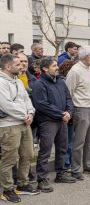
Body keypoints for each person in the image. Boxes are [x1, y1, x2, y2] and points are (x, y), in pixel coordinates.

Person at [33, 57, 76, 193]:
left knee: (62, 148)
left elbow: (68, 98)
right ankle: (42, 179)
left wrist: (68, 112)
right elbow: (42, 104)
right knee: (45, 150)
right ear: (45, 69)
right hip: (48, 121)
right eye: (54, 66)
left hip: (62, 120)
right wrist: (61, 114)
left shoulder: (60, 82)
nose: (57, 67)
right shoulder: (39, 84)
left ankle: (61, 173)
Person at [0, 54, 38, 202]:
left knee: (27, 154)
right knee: (9, 159)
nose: (22, 66)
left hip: (24, 123)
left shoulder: (18, 81)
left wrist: (30, 112)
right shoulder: (1, 82)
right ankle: (7, 189)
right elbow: (7, 105)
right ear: (8, 67)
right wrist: (25, 115)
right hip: (9, 126)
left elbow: (26, 99)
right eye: (18, 64)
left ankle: (22, 184)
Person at [65, 46, 90, 179]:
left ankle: (89, 165)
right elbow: (69, 91)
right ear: (86, 56)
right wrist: (71, 110)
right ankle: (75, 169)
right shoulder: (75, 71)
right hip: (81, 108)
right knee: (79, 141)